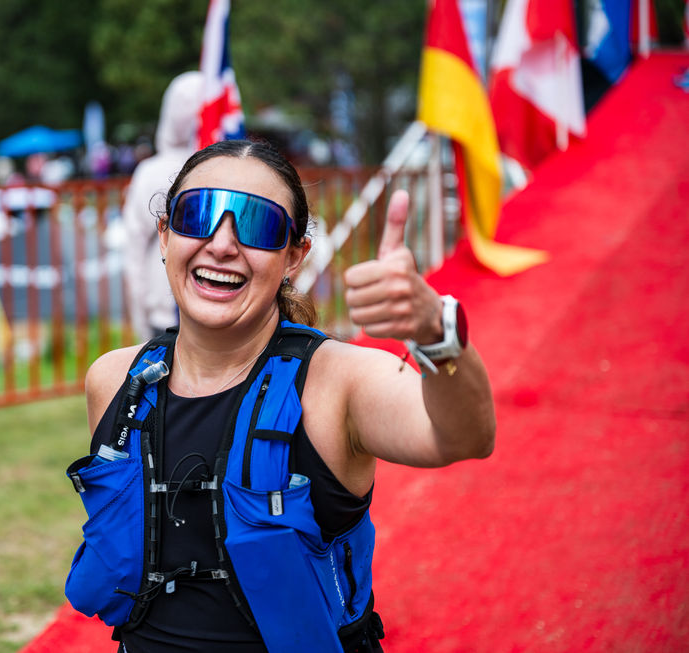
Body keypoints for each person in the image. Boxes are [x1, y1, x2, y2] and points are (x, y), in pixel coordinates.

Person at [67, 139, 496, 652]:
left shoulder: (337, 381)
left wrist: (436, 331)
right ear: (165, 234)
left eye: (258, 225)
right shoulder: (115, 380)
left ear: (295, 256)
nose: (221, 245)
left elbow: (462, 436)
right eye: (197, 215)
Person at [121, 71, 203, 340]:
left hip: (163, 315)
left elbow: (134, 252)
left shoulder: (150, 172)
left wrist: (140, 322)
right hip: (217, 318)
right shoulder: (233, 170)